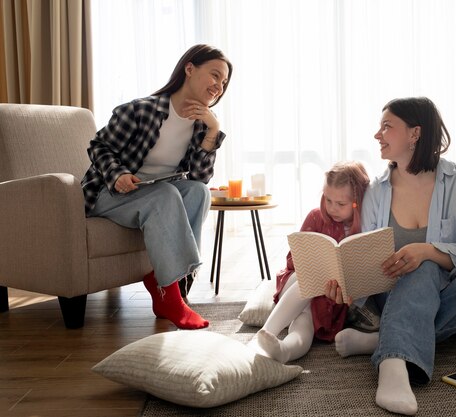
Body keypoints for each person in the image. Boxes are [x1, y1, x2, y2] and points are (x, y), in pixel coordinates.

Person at [325, 97, 456, 415]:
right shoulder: (376, 191)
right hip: (391, 294)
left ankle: (382, 340)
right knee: (421, 268)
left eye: (387, 126)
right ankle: (393, 366)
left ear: (415, 134)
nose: (377, 134)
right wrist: (346, 284)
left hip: (451, 290)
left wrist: (428, 250)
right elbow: (365, 256)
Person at [81, 44, 233, 330]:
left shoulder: (201, 124)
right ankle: (171, 297)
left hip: (153, 193)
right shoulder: (141, 110)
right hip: (109, 193)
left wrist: (212, 131)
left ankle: (169, 283)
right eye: (214, 75)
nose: (218, 86)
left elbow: (200, 177)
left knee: (197, 192)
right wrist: (118, 174)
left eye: (223, 83)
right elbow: (98, 146)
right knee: (166, 194)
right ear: (189, 69)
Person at [249, 161, 370, 363]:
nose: (332, 208)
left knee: (304, 325)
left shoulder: (364, 226)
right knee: (307, 280)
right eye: (328, 200)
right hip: (298, 282)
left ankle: (284, 350)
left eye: (341, 204)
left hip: (328, 300)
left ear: (357, 201)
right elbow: (293, 258)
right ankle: (266, 331)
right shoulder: (316, 217)